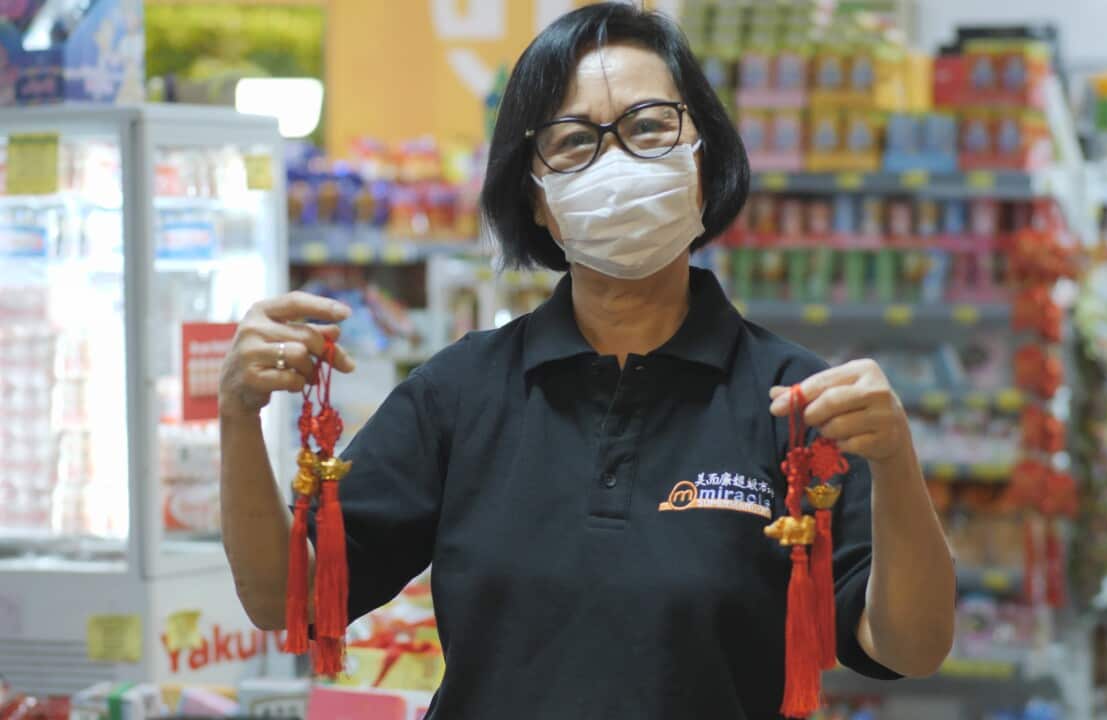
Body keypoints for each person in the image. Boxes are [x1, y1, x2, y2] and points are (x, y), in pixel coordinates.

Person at [219, 4, 954, 718]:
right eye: (573, 141)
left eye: (648, 127)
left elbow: (908, 648)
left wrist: (895, 462)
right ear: (535, 197)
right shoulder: (459, 393)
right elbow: (289, 598)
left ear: (704, 156)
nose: (617, 161)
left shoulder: (792, 403)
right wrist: (238, 417)